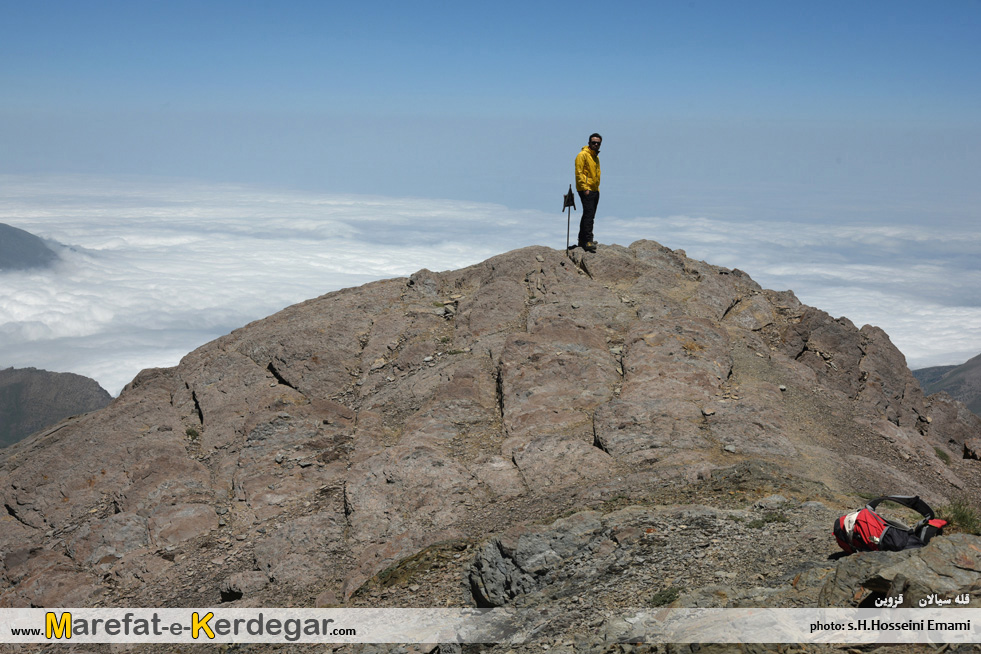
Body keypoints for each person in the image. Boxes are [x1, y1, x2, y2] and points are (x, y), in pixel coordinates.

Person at [574, 133, 602, 253]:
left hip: (594, 189)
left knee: (589, 215)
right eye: (593, 142)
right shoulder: (583, 155)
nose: (596, 144)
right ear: (589, 143)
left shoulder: (595, 156)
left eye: (598, 143)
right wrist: (585, 188)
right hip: (586, 190)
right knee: (589, 215)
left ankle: (582, 239)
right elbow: (579, 173)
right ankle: (588, 241)